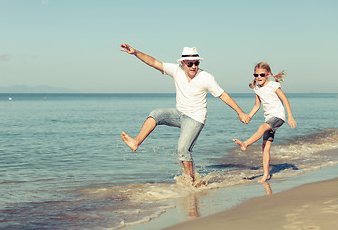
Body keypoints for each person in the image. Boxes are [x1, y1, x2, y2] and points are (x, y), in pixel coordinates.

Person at [120, 43, 249, 182]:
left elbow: (223, 95)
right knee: (156, 113)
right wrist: (135, 53)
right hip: (179, 114)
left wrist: (240, 112)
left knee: (183, 149)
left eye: (196, 63)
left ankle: (191, 181)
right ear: (182, 63)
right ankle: (136, 142)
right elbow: (153, 62)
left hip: (195, 118)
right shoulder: (176, 70)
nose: (194, 66)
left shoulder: (206, 78)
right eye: (190, 64)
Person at [233, 62, 297, 183]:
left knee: (262, 127)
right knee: (265, 147)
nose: (259, 77)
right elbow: (257, 105)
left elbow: (285, 100)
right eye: (256, 75)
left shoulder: (273, 85)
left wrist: (290, 117)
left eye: (261, 75)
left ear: (267, 75)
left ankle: (245, 144)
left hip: (278, 116)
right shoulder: (257, 89)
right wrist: (249, 117)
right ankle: (266, 174)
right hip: (269, 119)